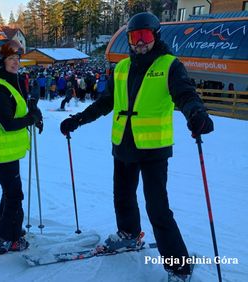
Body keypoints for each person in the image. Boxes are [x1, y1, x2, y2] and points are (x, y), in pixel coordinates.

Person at [60, 12, 213, 282]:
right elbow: (106, 102)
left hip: (153, 148)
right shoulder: (121, 69)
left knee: (157, 208)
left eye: (144, 36)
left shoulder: (170, 65)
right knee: (122, 196)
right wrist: (78, 119)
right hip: (124, 143)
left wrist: (196, 113)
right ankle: (129, 234)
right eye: (134, 37)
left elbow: (185, 93)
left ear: (155, 36)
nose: (139, 43)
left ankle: (179, 267)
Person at [0, 39, 43, 255]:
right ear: (0, 62)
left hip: (6, 151)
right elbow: (8, 124)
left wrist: (33, 109)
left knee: (9, 192)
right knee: (15, 195)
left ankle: (1, 228)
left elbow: (19, 106)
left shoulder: (7, 82)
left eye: (17, 58)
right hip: (1, 153)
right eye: (10, 59)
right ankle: (9, 238)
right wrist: (31, 118)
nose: (16, 62)